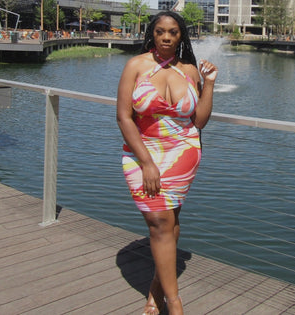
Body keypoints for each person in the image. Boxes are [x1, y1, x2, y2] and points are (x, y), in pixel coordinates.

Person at [116, 11, 218, 315]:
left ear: (181, 36)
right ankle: (175, 304)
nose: (166, 37)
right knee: (160, 222)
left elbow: (199, 121)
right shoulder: (136, 66)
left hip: (183, 153)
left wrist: (209, 83)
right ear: (152, 34)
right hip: (141, 152)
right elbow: (123, 117)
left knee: (170, 225)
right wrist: (146, 162)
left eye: (173, 32)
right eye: (160, 31)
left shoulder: (190, 70)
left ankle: (156, 291)